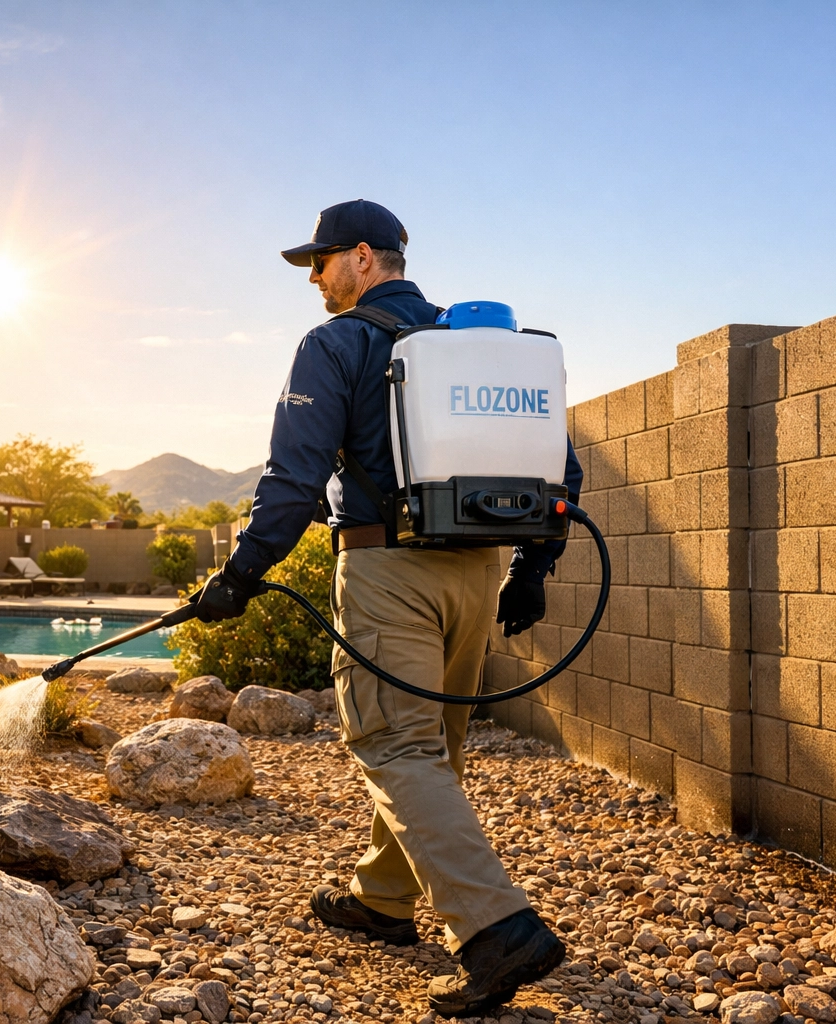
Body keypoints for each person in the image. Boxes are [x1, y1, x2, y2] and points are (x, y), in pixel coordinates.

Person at [191, 199, 582, 1017]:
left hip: (386, 569)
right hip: (476, 572)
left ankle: (497, 930)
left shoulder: (335, 344)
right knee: (433, 745)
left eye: (321, 261)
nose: (314, 278)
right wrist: (532, 568)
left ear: (364, 256)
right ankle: (383, 900)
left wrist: (240, 573)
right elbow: (560, 469)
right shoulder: (473, 345)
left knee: (395, 744)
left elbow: (293, 478)